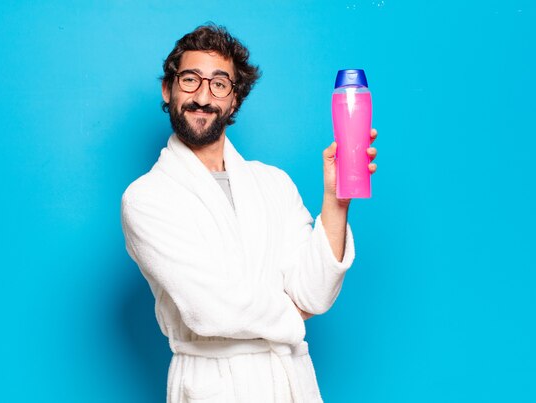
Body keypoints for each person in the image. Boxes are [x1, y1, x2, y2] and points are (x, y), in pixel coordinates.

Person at [121, 24, 378, 403]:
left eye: (219, 84)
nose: (203, 97)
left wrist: (336, 200)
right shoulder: (147, 198)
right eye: (190, 80)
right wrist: (295, 312)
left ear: (234, 100)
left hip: (292, 383)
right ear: (168, 89)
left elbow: (315, 293)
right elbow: (211, 309)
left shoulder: (273, 184)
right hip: (213, 387)